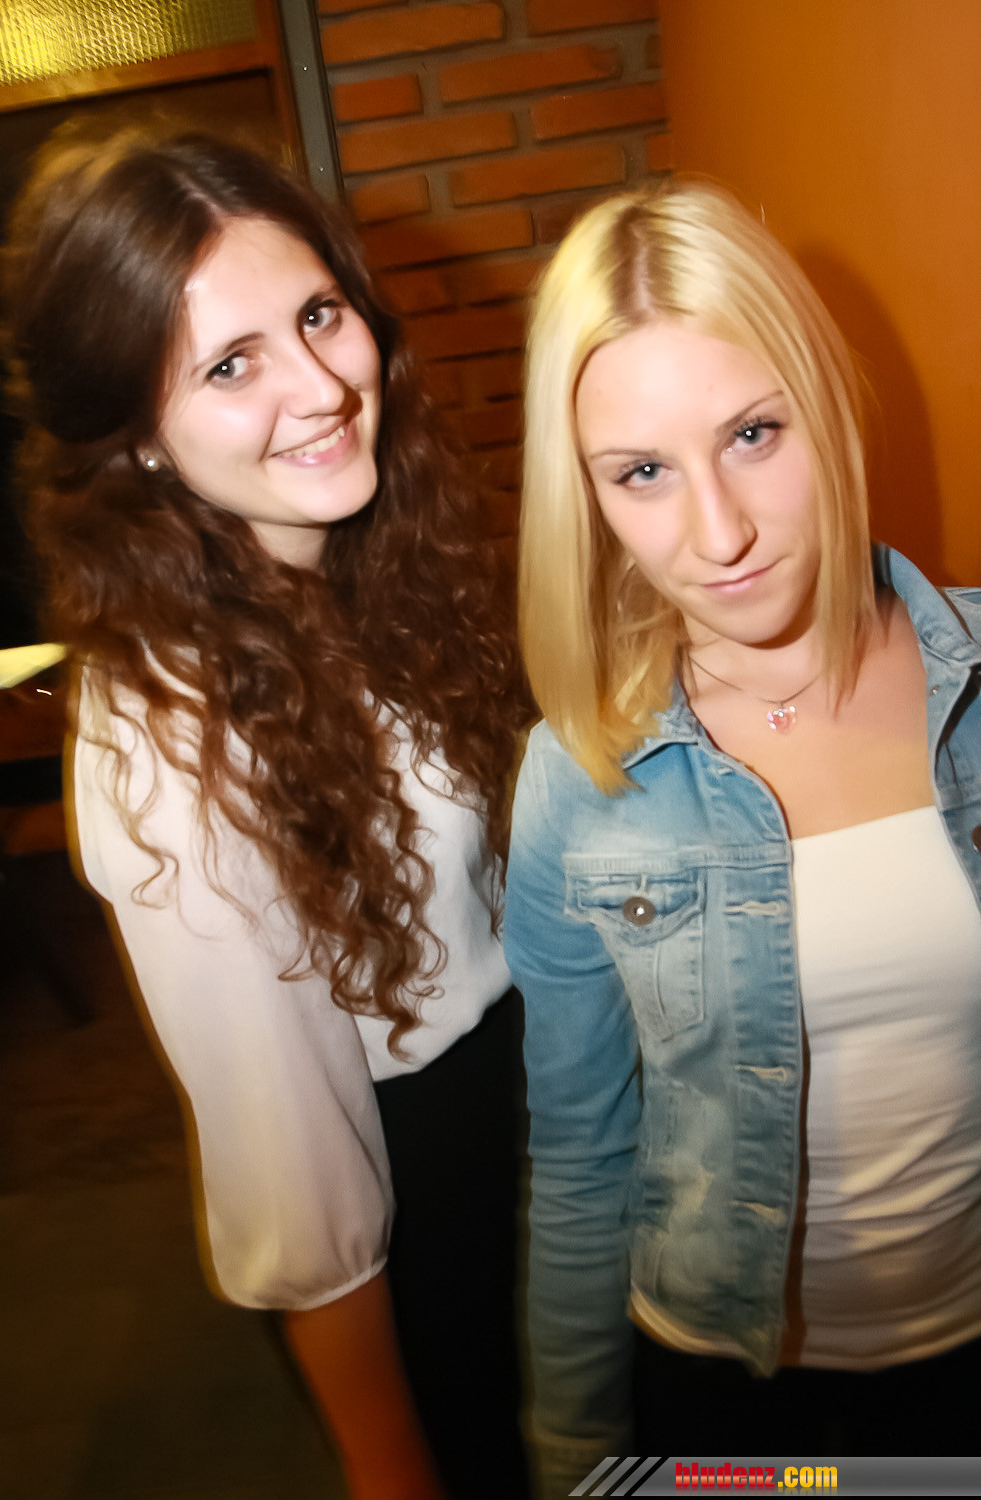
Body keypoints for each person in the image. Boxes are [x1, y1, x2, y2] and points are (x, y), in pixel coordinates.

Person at [0, 122, 532, 1500]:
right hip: (406, 1186)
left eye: (317, 314)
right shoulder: (174, 751)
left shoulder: (353, 557)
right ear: (139, 438)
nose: (320, 384)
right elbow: (297, 1183)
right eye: (229, 365)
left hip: (502, 1106)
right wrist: (390, 1464)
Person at [504, 178, 981, 1487]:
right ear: (587, 498)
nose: (718, 534)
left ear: (825, 405)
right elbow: (582, 1154)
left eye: (754, 434)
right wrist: (576, 1456)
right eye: (642, 473)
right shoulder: (577, 781)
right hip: (721, 1384)